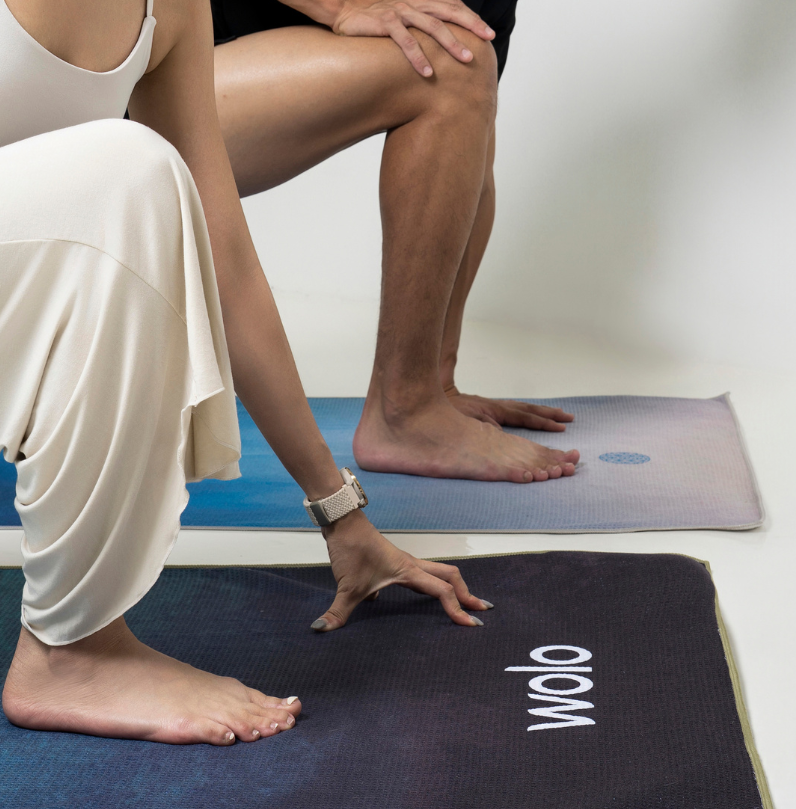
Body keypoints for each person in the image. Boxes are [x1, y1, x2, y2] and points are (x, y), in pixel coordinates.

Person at [0, 0, 493, 746]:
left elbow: (226, 260)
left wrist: (342, 515)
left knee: (150, 188)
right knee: (128, 167)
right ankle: (77, 654)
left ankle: (76, 639)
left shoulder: (172, 10)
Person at [211, 0, 581, 483]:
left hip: (185, 74)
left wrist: (436, 380)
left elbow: (464, 146)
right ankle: (403, 413)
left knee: (462, 56)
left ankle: (426, 389)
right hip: (112, 91)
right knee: (452, 60)